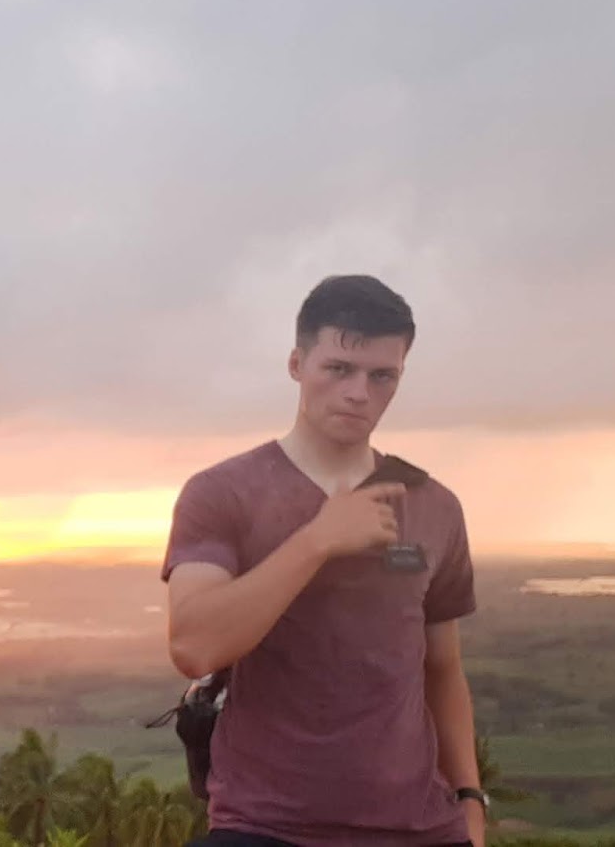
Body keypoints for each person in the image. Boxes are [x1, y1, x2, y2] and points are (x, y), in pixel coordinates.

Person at [164, 274, 487, 846]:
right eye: (339, 368)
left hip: (421, 827)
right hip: (266, 825)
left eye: (382, 376)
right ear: (297, 364)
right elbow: (194, 646)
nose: (359, 392)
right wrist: (318, 540)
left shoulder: (433, 505)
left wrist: (469, 798)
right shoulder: (223, 493)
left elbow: (441, 667)